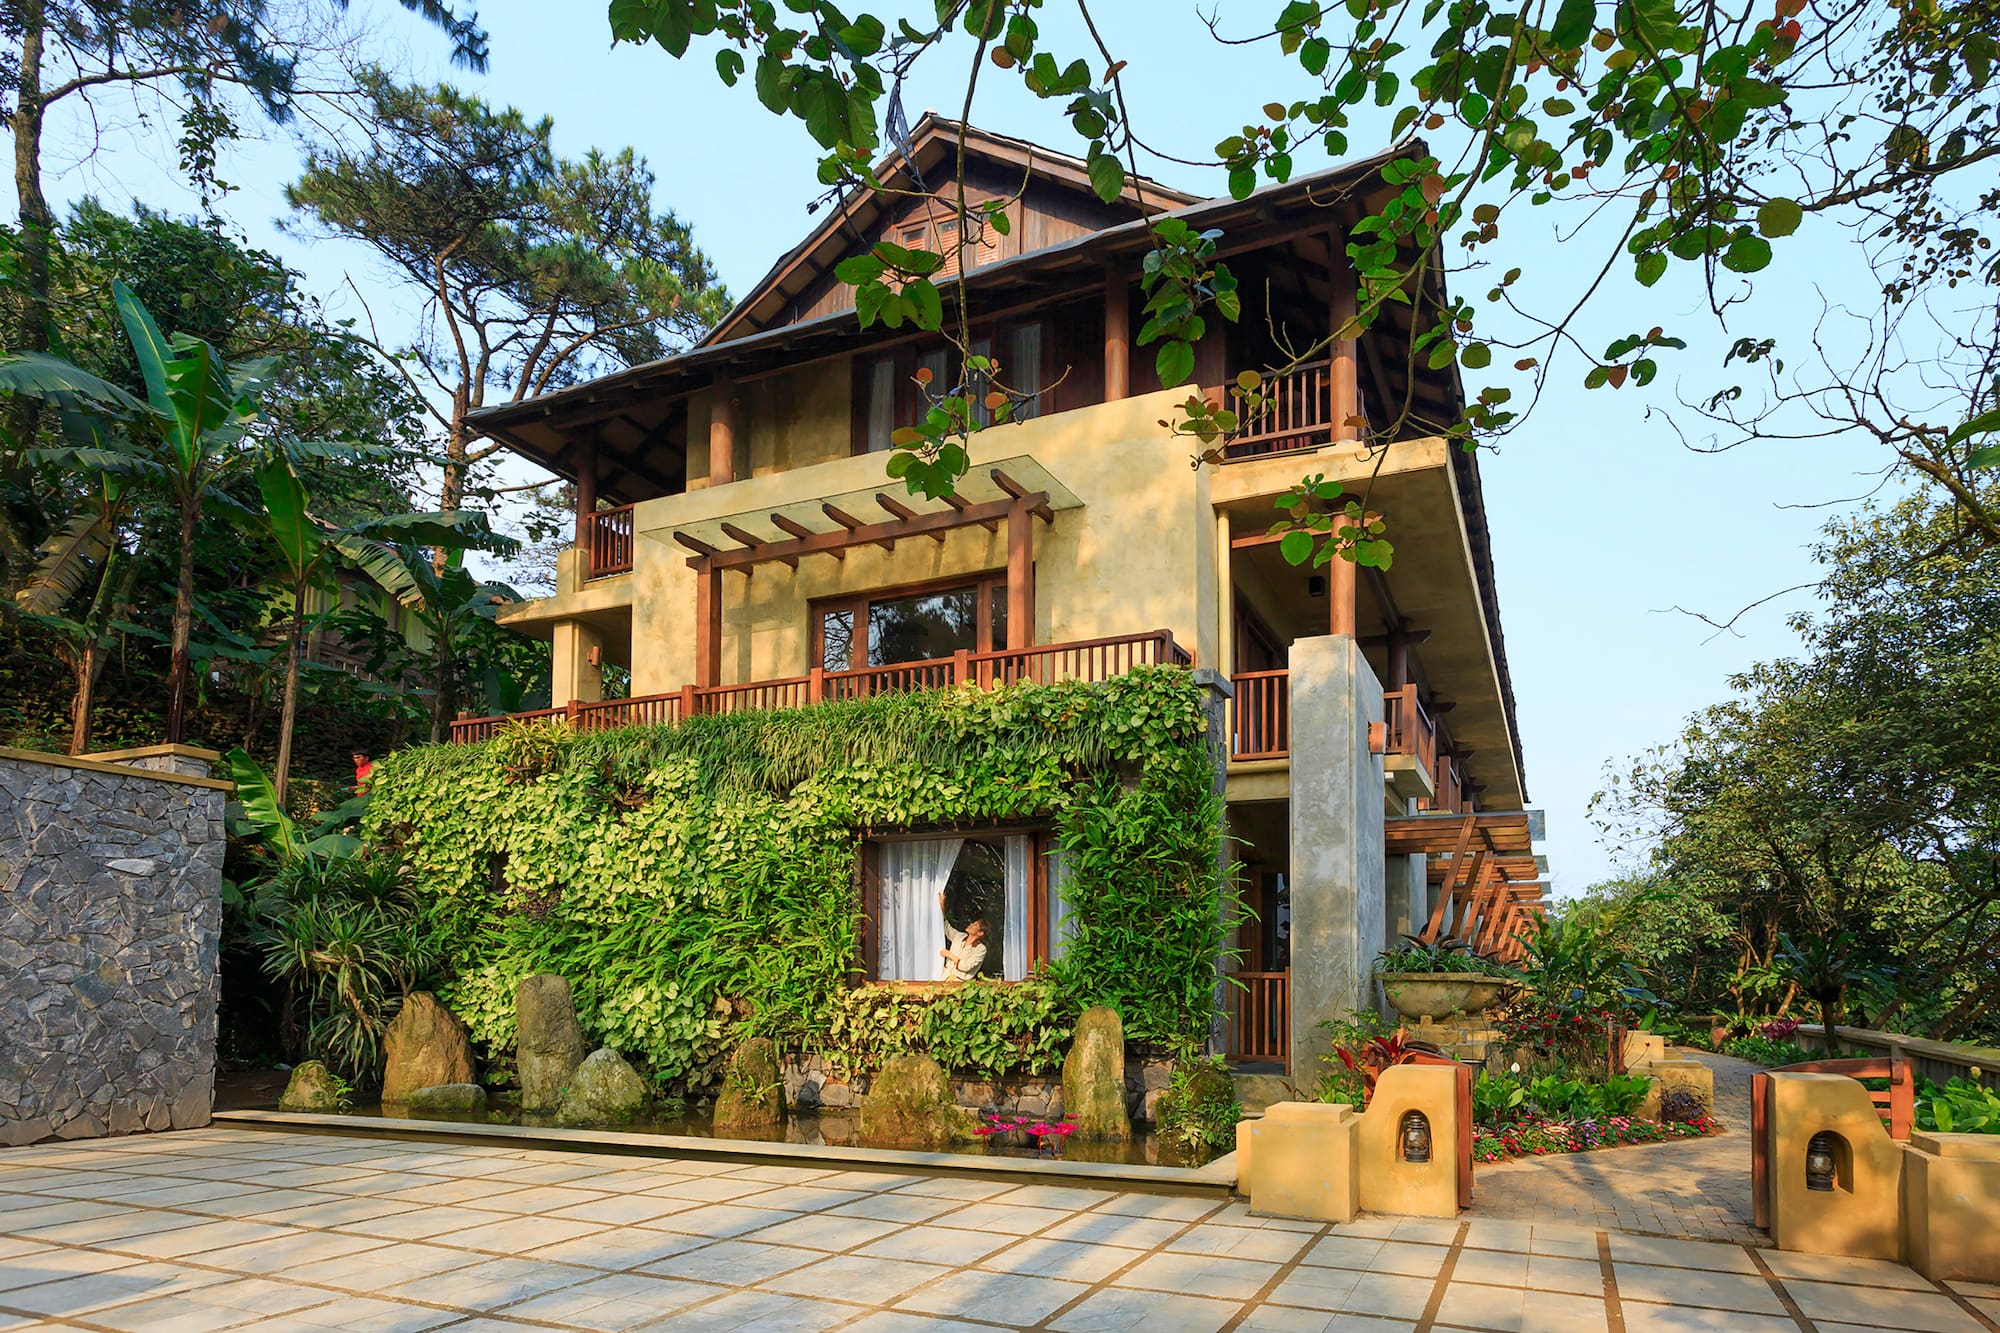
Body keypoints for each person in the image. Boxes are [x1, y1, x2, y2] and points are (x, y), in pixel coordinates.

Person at [937, 890, 987, 981]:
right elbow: (945, 925)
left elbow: (966, 966)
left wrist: (949, 955)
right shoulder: (959, 936)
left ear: (980, 933)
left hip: (959, 983)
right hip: (944, 977)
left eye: (975, 925)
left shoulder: (980, 949)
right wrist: (942, 905)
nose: (971, 924)